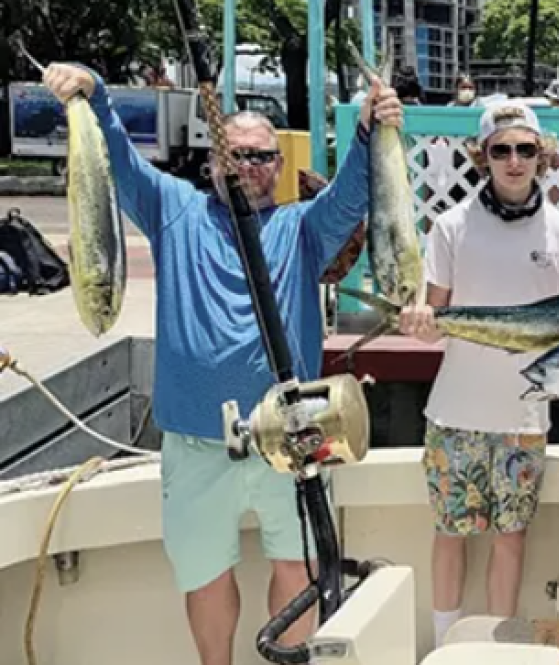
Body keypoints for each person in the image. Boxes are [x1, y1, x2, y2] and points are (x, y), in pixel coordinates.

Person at [39, 62, 401, 665]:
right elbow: (120, 165)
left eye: (261, 156)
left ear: (279, 166)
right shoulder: (174, 210)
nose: (248, 166)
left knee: (298, 566)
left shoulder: (302, 229)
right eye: (235, 154)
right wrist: (92, 94)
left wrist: (370, 130)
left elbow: (350, 197)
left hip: (290, 435)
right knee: (205, 576)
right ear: (212, 161)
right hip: (194, 441)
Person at [399, 101, 559, 648]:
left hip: (524, 421)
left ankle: (495, 649)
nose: (513, 160)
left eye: (525, 149)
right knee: (449, 534)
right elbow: (435, 317)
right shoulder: (450, 226)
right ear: (482, 157)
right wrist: (418, 321)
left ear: (541, 155)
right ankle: (446, 648)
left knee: (511, 539)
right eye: (501, 150)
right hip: (454, 414)